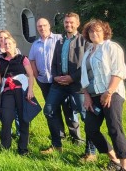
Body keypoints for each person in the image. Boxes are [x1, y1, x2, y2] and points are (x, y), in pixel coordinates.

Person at [41, 12, 96, 159]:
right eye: (66, 22)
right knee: (49, 110)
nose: (68, 25)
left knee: (86, 117)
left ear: (77, 24)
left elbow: (87, 64)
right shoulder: (60, 41)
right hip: (59, 84)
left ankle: (91, 152)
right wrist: (55, 76)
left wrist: (72, 78)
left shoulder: (84, 41)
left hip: (78, 85)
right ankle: (56, 145)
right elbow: (53, 62)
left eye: (71, 22)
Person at [81, 20, 126, 171]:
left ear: (104, 32)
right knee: (91, 129)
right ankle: (114, 159)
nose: (94, 34)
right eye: (91, 31)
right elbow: (84, 78)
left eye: (97, 31)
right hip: (93, 96)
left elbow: (118, 71)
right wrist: (87, 96)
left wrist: (108, 92)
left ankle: (125, 166)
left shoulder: (111, 47)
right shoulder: (88, 52)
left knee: (114, 127)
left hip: (112, 93)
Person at [29, 18, 84, 148]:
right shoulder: (35, 43)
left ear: (49, 26)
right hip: (46, 81)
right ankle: (59, 137)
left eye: (44, 25)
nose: (42, 28)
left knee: (69, 108)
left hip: (67, 81)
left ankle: (76, 137)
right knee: (52, 109)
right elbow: (31, 60)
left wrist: (67, 77)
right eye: (39, 26)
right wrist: (37, 75)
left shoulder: (60, 39)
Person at [0, 37, 34, 155]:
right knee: (6, 118)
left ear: (15, 44)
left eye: (10, 43)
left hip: (21, 91)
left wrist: (30, 90)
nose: (7, 45)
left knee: (23, 119)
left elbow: (30, 75)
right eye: (5, 44)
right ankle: (6, 148)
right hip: (7, 92)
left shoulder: (22, 58)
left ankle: (23, 148)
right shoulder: (0, 61)